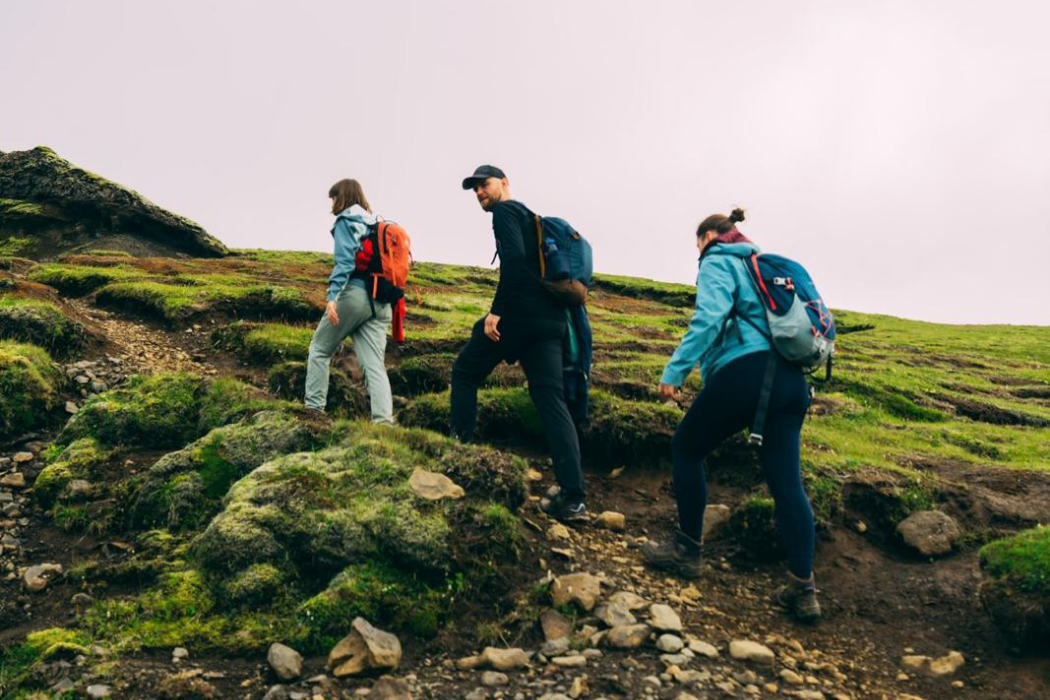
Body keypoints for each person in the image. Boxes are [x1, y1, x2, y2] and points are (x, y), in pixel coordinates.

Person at [641, 208, 821, 621]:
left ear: (707, 238)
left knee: (686, 447)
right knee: (787, 484)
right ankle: (803, 589)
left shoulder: (717, 262)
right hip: (793, 382)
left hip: (747, 372)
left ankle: (688, 550)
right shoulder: (766, 267)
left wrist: (676, 370)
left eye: (696, 246)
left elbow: (710, 316)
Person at [452, 165, 587, 523]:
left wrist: (495, 312)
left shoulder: (505, 212)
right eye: (476, 189)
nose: (481, 192)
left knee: (464, 372)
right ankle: (574, 498)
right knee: (550, 401)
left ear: (504, 183)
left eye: (485, 185)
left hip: (519, 316)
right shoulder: (532, 217)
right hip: (551, 321)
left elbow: (511, 262)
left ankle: (457, 456)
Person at [304, 178, 394, 424]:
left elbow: (344, 262)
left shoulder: (347, 221)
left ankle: (313, 412)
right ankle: (384, 423)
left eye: (333, 198)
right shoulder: (376, 222)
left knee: (319, 349)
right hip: (383, 301)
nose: (332, 203)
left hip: (355, 295)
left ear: (341, 197)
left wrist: (332, 297)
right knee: (374, 365)